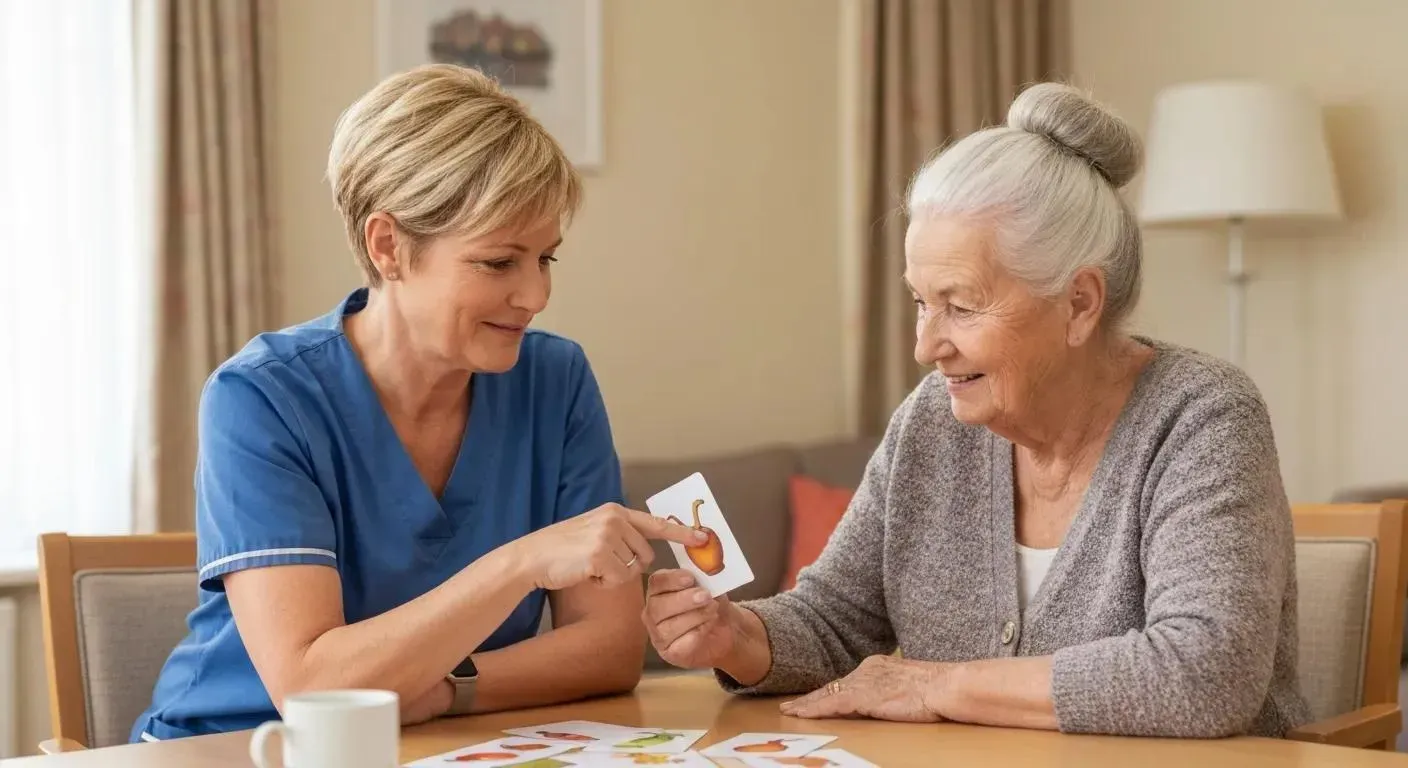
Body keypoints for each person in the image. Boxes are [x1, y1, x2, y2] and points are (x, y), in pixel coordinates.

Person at [642, 83, 1312, 739]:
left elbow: (1207, 673)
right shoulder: (932, 422)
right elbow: (833, 618)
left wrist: (933, 685)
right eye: (919, 302)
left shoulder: (1203, 419)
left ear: (1079, 303)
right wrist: (736, 635)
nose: (925, 345)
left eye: (959, 306)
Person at [132, 64, 705, 741]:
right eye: (499, 263)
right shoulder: (260, 398)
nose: (536, 296)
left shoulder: (556, 380)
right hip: (238, 746)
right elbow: (313, 687)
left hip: (445, 743)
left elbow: (607, 652)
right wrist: (522, 561)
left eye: (545, 259)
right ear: (389, 246)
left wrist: (449, 689)